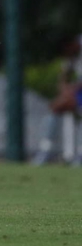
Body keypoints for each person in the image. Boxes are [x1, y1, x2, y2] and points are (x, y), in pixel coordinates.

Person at [31, 34, 82, 166]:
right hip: (77, 94)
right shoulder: (71, 58)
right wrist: (66, 90)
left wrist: (72, 90)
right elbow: (63, 78)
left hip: (78, 92)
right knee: (55, 107)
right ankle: (46, 150)